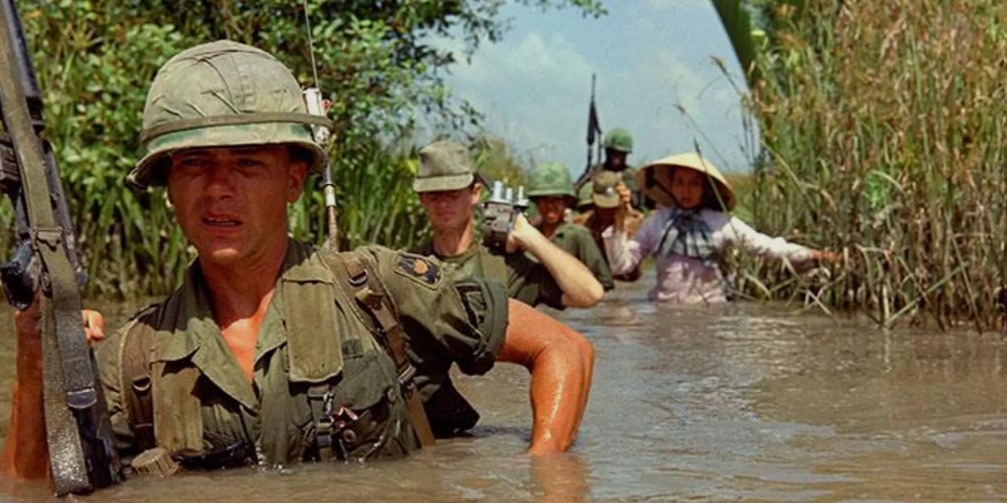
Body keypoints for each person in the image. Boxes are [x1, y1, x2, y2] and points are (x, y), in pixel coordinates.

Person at [1, 41, 595, 481]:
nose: (218, 189)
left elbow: (564, 348)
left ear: (294, 180)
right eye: (194, 165)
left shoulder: (377, 291)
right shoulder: (133, 358)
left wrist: (547, 476)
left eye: (247, 164)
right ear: (168, 187)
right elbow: (29, 487)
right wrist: (34, 354)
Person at [604, 152, 838, 303]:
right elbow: (620, 265)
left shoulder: (721, 223)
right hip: (663, 312)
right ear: (671, 187)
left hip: (710, 311)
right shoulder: (657, 222)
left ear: (705, 188)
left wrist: (815, 255)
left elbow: (765, 247)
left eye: (694, 184)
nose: (686, 190)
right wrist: (618, 220)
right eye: (680, 183)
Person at [413, 140, 604, 310]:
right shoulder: (408, 268)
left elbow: (589, 295)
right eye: (434, 196)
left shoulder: (508, 269)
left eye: (453, 194)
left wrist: (530, 237)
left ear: (475, 193)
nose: (443, 204)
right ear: (422, 199)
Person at [526, 162, 613, 291]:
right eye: (544, 199)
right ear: (536, 201)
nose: (550, 206)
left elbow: (604, 282)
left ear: (566, 201)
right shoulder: (528, 235)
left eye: (556, 199)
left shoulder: (578, 236)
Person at [573, 171, 644, 282]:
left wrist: (624, 213)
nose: (608, 211)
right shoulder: (581, 226)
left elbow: (631, 272)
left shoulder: (635, 224)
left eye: (612, 205)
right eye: (603, 206)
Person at [572, 128, 645, 210]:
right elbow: (576, 189)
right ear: (607, 152)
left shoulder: (633, 176)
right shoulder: (595, 171)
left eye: (620, 154)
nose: (616, 157)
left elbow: (640, 201)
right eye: (613, 152)